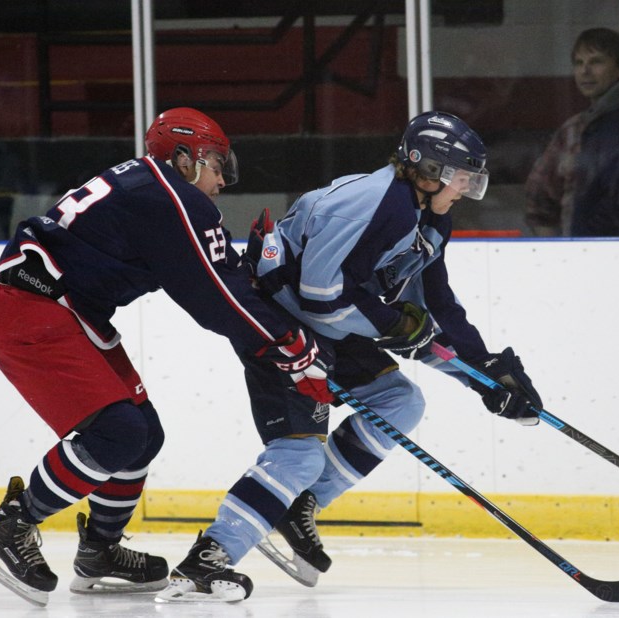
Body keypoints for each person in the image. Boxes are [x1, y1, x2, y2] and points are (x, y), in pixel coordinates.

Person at [163, 110, 544, 599]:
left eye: (473, 182)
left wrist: (485, 375)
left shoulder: (427, 219)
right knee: (298, 453)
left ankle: (301, 505)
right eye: (460, 180)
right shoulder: (377, 204)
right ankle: (208, 559)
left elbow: (436, 308)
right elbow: (321, 291)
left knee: (400, 402)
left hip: (325, 324)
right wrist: (394, 328)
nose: (464, 192)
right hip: (278, 326)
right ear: (426, 171)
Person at [0, 107, 333, 607]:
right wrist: (291, 346)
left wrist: (260, 283)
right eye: (214, 163)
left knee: (142, 434)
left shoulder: (153, 187)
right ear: (183, 158)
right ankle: (10, 527)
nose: (223, 178)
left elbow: (224, 281)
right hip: (33, 310)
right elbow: (215, 300)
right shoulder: (170, 199)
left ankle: (99, 552)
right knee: (118, 432)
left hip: (64, 309)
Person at [524, 27, 619, 237]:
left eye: (596, 62)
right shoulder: (580, 127)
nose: (585, 71)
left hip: (617, 256)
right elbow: (538, 200)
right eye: (579, 63)